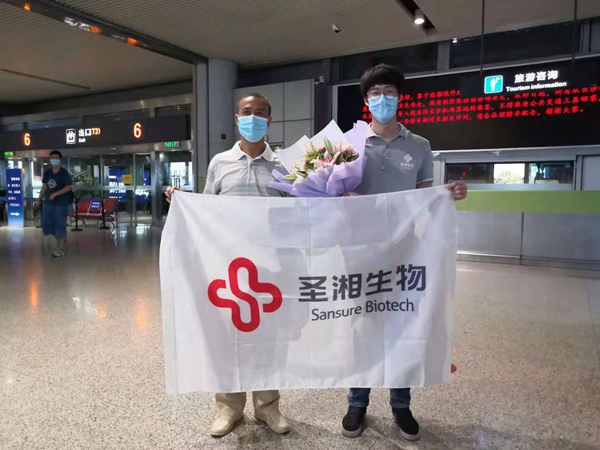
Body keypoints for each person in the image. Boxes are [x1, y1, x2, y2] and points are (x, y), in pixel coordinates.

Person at [341, 64, 467, 441]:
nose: (382, 99)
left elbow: (425, 197)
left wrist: (447, 194)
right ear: (366, 101)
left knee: (402, 324)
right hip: (360, 251)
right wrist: (341, 196)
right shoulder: (349, 143)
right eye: (375, 93)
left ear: (400, 97)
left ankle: (401, 405)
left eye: (389, 92)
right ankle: (357, 402)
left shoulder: (420, 146)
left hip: (405, 251)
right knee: (362, 327)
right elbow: (331, 193)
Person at [166, 93, 291, 438]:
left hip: (269, 270)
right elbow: (207, 210)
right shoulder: (220, 163)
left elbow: (296, 215)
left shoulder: (283, 166)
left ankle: (268, 406)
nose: (253, 118)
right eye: (247, 112)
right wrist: (183, 203)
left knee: (269, 340)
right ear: (236, 119)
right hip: (229, 269)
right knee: (228, 339)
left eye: (260, 113)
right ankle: (229, 408)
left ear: (270, 120)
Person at [38, 151, 73, 257]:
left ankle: (61, 247)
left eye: (56, 158)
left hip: (61, 203)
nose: (54, 159)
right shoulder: (47, 172)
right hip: (48, 203)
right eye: (52, 158)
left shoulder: (64, 173)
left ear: (60, 159)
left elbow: (68, 187)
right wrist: (39, 198)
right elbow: (44, 186)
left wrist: (55, 194)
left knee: (60, 224)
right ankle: (62, 239)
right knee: (46, 224)